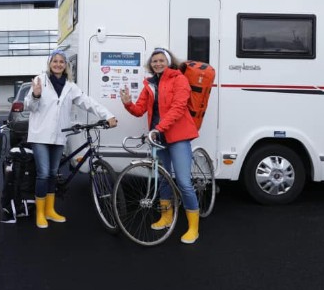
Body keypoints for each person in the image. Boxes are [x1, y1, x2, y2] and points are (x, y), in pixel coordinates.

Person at [24, 49, 118, 229]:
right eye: (55, 61)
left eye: (61, 61)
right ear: (49, 63)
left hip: (59, 135)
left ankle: (50, 210)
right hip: (40, 136)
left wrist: (108, 115)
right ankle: (40, 213)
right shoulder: (40, 80)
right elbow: (30, 106)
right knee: (43, 173)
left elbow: (88, 102)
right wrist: (35, 94)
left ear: (66, 65)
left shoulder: (70, 86)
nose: (58, 64)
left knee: (52, 173)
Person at [120, 47, 200, 244]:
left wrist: (159, 128)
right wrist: (128, 103)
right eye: (154, 61)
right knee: (163, 179)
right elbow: (139, 110)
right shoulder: (149, 84)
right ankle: (165, 217)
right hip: (159, 137)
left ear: (168, 61)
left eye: (161, 60)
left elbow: (179, 107)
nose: (157, 63)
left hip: (178, 136)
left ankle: (193, 228)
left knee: (183, 182)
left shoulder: (179, 78)